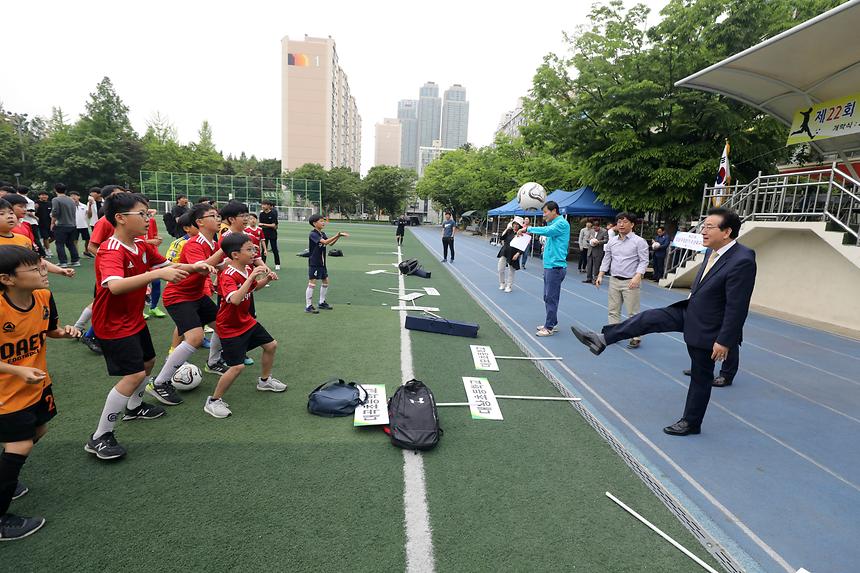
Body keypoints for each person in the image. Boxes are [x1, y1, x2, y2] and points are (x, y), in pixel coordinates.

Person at [571, 208, 756, 435]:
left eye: (709, 227)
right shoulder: (710, 252)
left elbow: (737, 306)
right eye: (703, 226)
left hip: (710, 326)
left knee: (701, 376)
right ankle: (603, 339)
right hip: (690, 311)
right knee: (650, 318)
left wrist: (724, 340)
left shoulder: (743, 259)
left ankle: (691, 422)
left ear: (727, 232)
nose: (703, 231)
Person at [85, 192, 212, 460]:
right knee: (131, 375)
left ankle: (134, 407)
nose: (148, 218)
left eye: (148, 212)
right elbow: (115, 286)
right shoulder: (111, 249)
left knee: (148, 362)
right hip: (112, 323)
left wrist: (195, 267)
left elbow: (167, 264)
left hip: (132, 318)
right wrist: (156, 274)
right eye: (141, 214)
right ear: (120, 218)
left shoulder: (140, 245)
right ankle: (100, 436)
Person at [0, 246, 80, 540]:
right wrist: (16, 370)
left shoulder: (44, 296)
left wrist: (64, 332)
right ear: (7, 279)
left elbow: (49, 330)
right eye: (34, 269)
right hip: (6, 392)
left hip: (37, 384)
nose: (43, 271)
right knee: (20, 445)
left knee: (39, 429)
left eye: (41, 265)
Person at [147, 203, 226, 405]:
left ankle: (213, 362)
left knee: (222, 325)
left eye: (219, 216)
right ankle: (159, 382)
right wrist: (225, 249)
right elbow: (201, 268)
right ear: (199, 222)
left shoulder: (213, 244)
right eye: (213, 216)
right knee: (195, 337)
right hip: (178, 296)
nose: (218, 219)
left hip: (196, 295)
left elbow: (217, 263)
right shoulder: (193, 243)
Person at [204, 234, 283, 418]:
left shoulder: (247, 268)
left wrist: (267, 279)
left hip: (246, 321)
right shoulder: (227, 274)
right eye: (249, 249)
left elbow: (253, 289)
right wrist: (252, 277)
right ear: (235, 254)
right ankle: (213, 401)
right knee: (237, 367)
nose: (254, 252)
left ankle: (264, 381)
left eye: (254, 249)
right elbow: (236, 299)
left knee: (271, 345)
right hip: (229, 327)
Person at [596, 212, 649, 349]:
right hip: (614, 280)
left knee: (633, 312)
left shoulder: (639, 242)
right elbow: (607, 259)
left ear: (632, 224)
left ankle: (635, 337)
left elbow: (644, 261)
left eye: (625, 222)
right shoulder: (612, 241)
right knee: (613, 310)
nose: (621, 224)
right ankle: (614, 334)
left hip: (630, 281)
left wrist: (638, 276)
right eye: (619, 221)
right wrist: (601, 274)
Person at [517, 201, 570, 337]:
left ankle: (549, 327)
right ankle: (552, 322)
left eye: (546, 212)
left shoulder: (561, 223)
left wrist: (528, 228)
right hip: (550, 266)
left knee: (551, 297)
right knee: (548, 296)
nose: (544, 214)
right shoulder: (553, 223)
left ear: (554, 211)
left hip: (555, 267)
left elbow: (548, 231)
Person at [305, 214, 348, 314]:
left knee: (325, 281)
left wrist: (338, 237)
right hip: (314, 262)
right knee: (312, 283)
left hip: (322, 263)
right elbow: (324, 242)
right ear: (315, 223)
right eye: (321, 221)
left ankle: (321, 302)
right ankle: (308, 306)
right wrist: (337, 235)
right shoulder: (313, 234)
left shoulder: (322, 233)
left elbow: (330, 243)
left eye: (323, 221)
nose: (323, 222)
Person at [50, 183, 80, 268]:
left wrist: (52, 223)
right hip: (72, 225)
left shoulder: (56, 199)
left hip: (61, 225)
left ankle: (63, 262)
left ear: (55, 190)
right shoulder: (71, 200)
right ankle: (75, 260)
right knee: (70, 243)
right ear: (65, 190)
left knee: (59, 243)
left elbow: (55, 212)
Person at [497, 217, 524, 292]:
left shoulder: (522, 234)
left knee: (511, 271)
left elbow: (522, 247)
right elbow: (502, 238)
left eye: (517, 224)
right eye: (514, 224)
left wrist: (518, 254)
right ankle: (502, 283)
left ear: (520, 226)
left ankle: (509, 286)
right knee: (500, 268)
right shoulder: (509, 231)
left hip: (513, 254)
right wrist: (506, 229)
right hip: (504, 252)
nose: (515, 226)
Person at [70, 191, 94, 258]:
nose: (73, 197)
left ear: (79, 197)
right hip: (74, 226)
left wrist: (89, 206)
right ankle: (76, 254)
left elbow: (89, 216)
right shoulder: (69, 206)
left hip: (84, 225)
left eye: (75, 195)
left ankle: (86, 252)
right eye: (71, 196)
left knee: (87, 240)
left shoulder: (84, 205)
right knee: (75, 240)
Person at [258, 200, 280, 270]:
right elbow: (259, 224)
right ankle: (263, 264)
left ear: (268, 206)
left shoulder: (273, 214)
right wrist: (266, 225)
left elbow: (274, 225)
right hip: (264, 234)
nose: (263, 206)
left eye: (264, 205)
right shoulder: (261, 214)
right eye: (262, 205)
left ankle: (277, 264)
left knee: (274, 249)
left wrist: (264, 224)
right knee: (264, 249)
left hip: (272, 234)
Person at [35, 192, 53, 257]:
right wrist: (35, 208)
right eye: (42, 195)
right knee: (45, 237)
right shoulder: (36, 203)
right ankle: (47, 250)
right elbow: (34, 212)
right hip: (40, 224)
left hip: (50, 223)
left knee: (54, 236)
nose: (44, 196)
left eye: (45, 195)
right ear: (39, 196)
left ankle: (44, 245)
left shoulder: (50, 203)